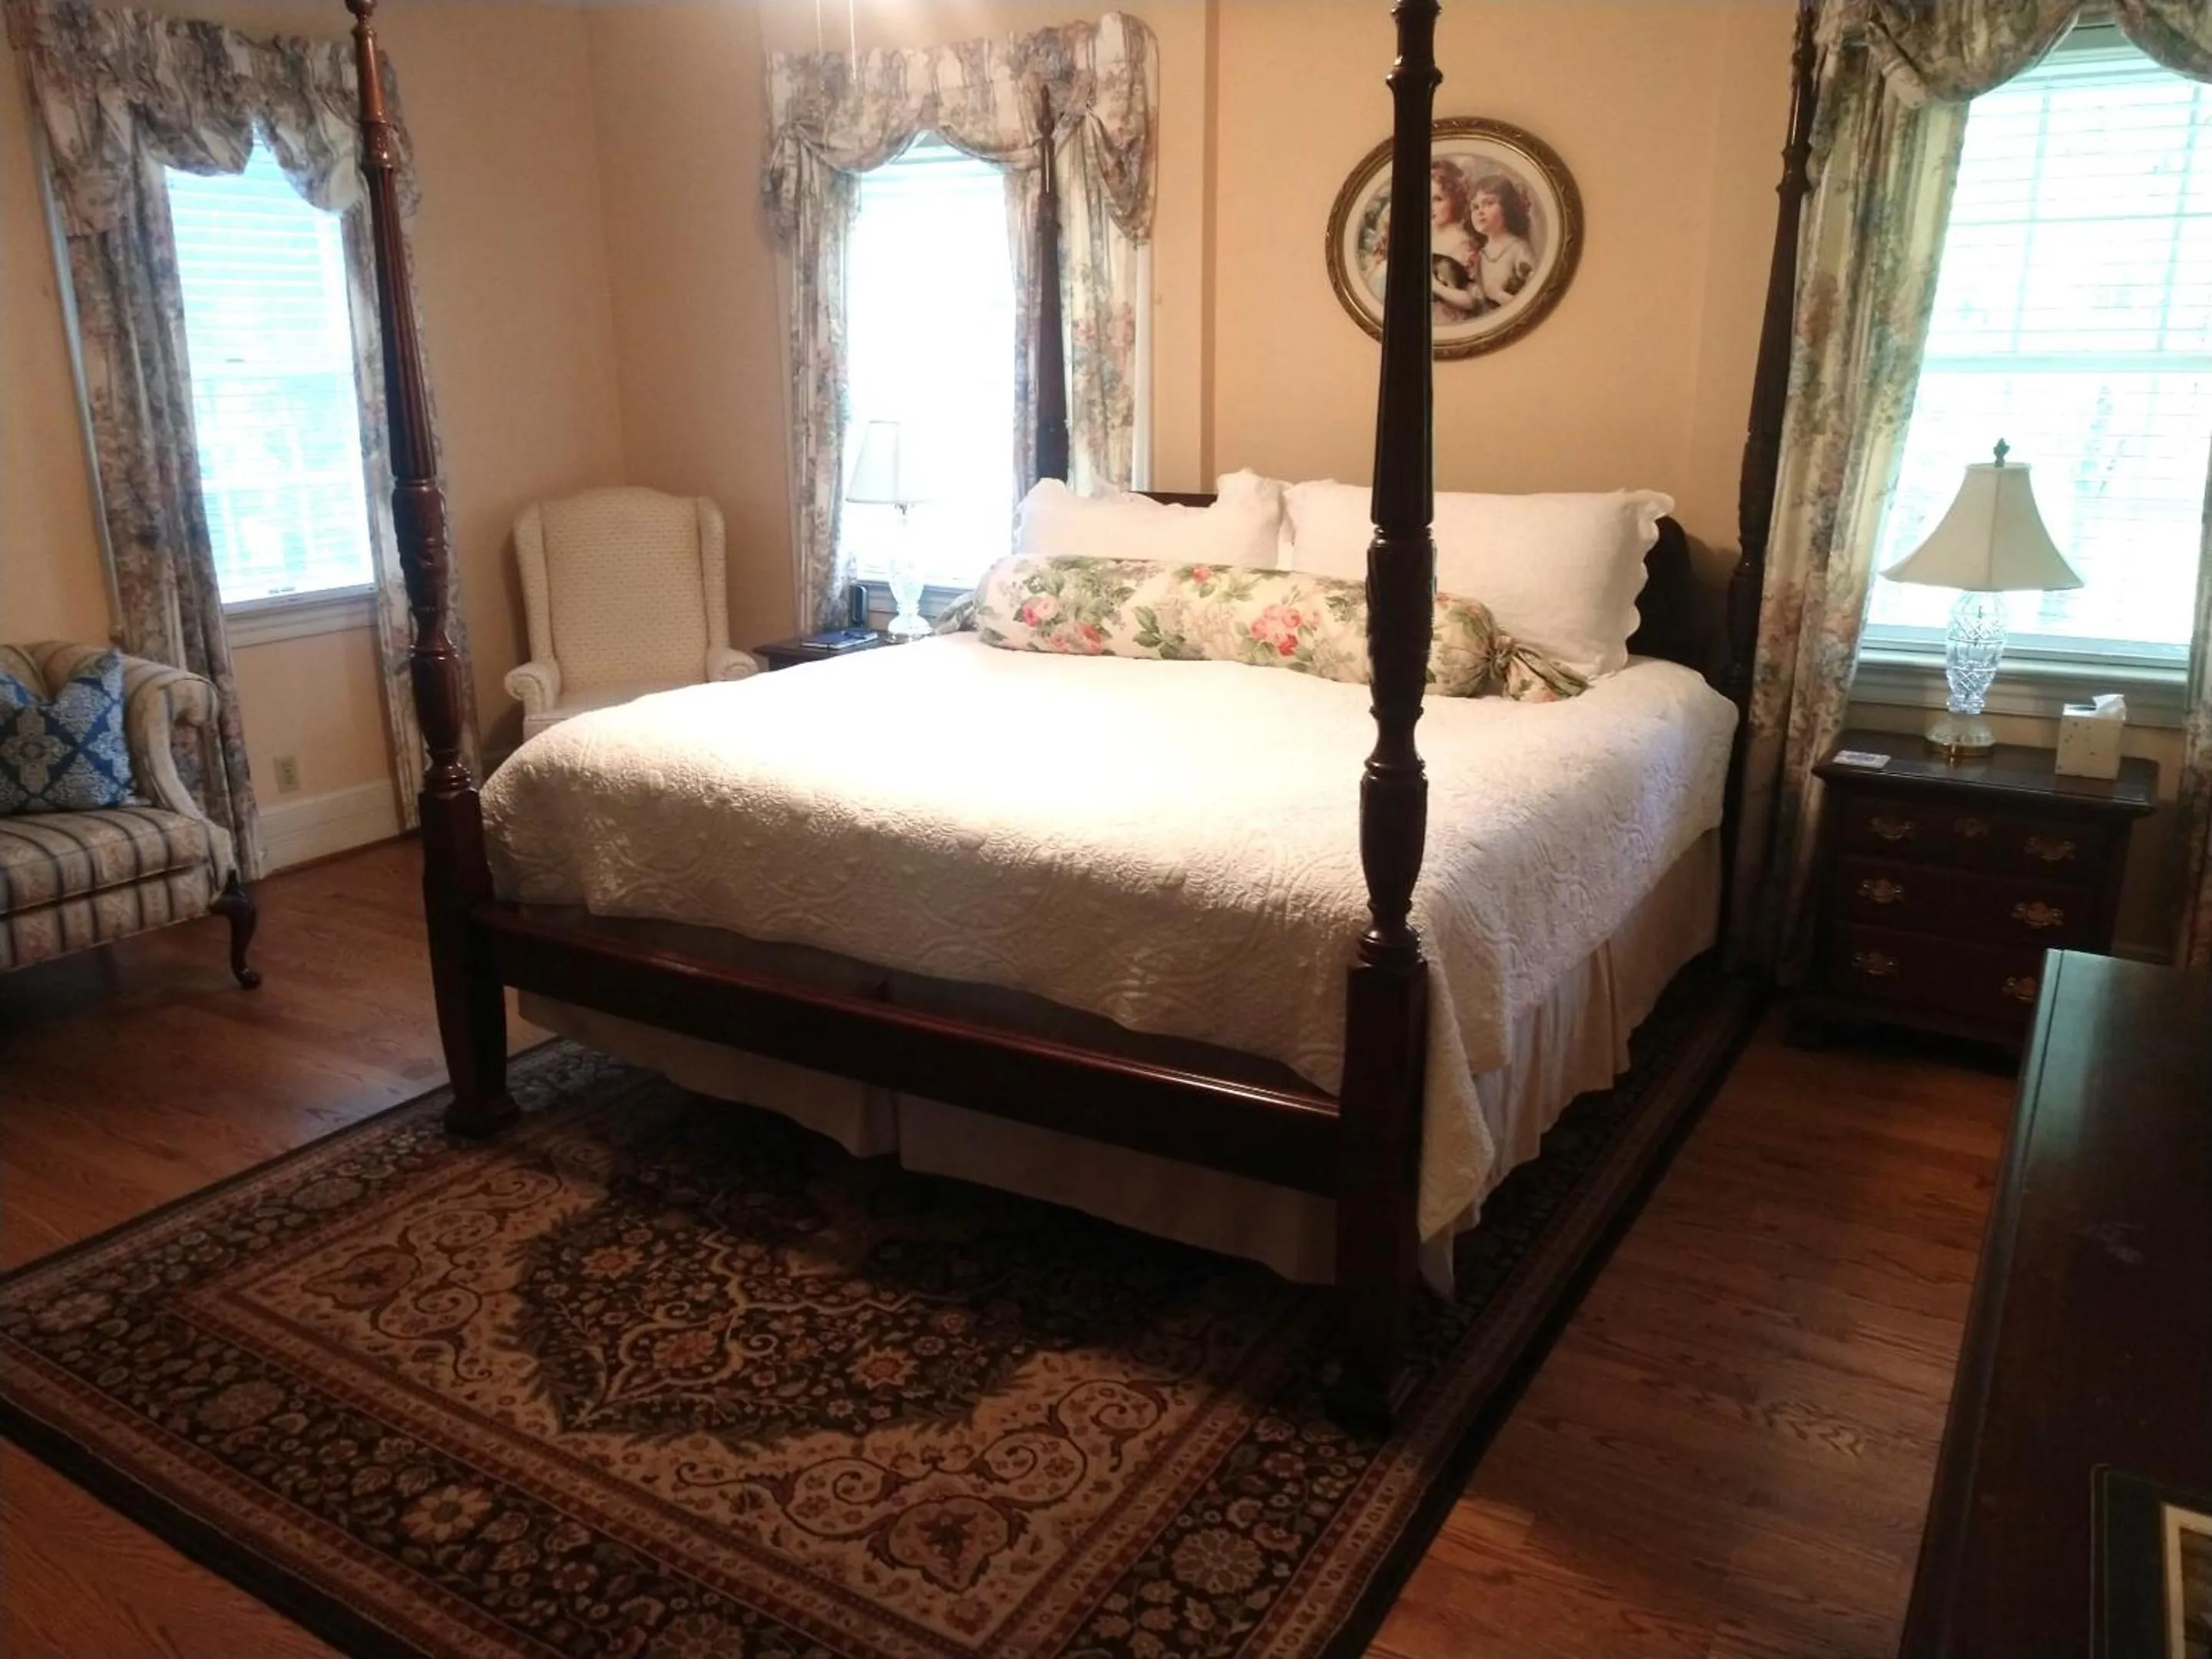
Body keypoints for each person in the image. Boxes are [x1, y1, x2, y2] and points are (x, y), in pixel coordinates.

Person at [1468, 174, 1538, 311]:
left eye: (1489, 203)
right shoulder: (1481, 254)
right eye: (1475, 207)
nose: (1480, 211)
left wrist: (1499, 296)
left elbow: (1534, 301)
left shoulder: (1518, 249)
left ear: (1507, 207)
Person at [1425, 161, 1483, 322]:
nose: (1429, 207)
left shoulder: (1462, 243)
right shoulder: (1427, 232)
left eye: (1438, 199)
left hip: (1447, 318)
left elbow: (1473, 300)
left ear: (1455, 200)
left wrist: (1435, 287)